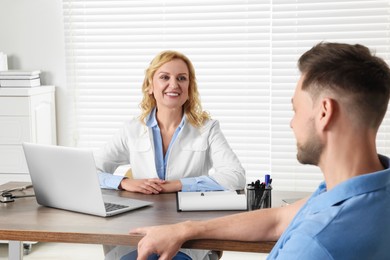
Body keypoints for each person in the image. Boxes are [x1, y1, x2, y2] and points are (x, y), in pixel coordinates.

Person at [130, 42, 390, 260]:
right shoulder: (365, 188)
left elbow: (235, 176)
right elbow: (277, 218)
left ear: (324, 113)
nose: (291, 123)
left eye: (295, 109)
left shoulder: (313, 244)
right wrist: (185, 229)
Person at [94, 50, 246, 259]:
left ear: (189, 87)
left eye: (181, 78)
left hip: (186, 237)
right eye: (165, 77)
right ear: (150, 85)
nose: (174, 85)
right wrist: (124, 183)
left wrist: (179, 184)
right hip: (138, 234)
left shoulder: (207, 128)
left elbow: (236, 176)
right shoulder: (132, 129)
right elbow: (90, 170)